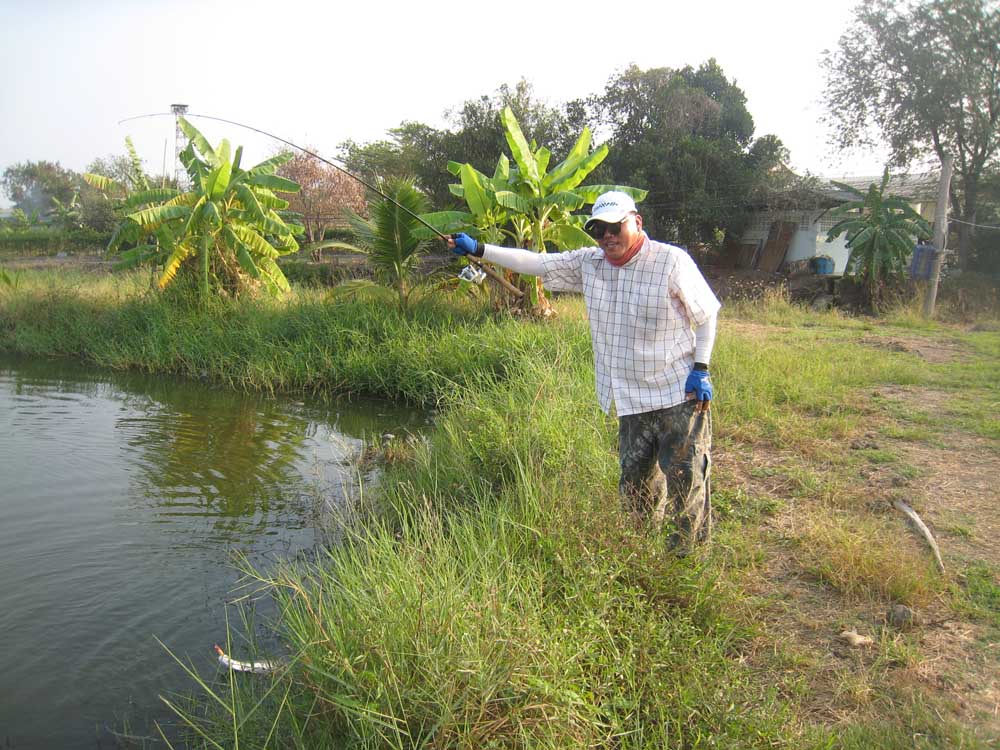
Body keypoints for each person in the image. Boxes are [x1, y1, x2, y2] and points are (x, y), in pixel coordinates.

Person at [448, 191, 721, 554]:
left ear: (636, 222)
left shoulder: (671, 261)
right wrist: (480, 249)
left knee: (685, 481)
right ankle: (639, 552)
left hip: (678, 394)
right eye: (598, 229)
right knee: (636, 484)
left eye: (615, 227)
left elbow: (706, 314)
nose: (607, 236)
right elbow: (537, 263)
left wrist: (700, 368)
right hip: (630, 399)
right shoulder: (589, 263)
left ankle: (686, 560)